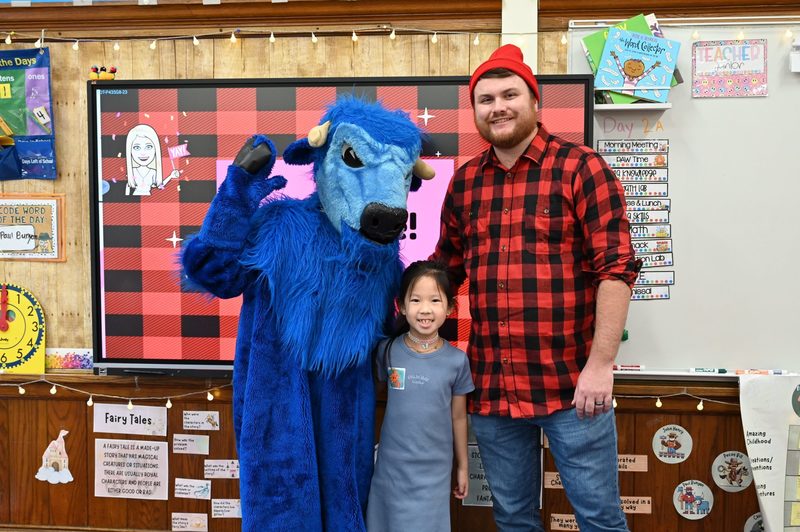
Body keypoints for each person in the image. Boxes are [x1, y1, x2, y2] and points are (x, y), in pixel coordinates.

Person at [432, 44, 640, 532]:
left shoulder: (581, 168)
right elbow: (445, 272)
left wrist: (601, 365)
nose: (498, 106)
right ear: (475, 110)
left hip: (574, 389)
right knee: (513, 519)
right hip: (493, 391)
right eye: (485, 99)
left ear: (534, 100)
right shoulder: (464, 183)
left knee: (601, 520)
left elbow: (616, 269)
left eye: (510, 94)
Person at [367, 260, 475, 532]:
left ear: (450, 308)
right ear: (402, 306)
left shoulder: (457, 361)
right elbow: (370, 397)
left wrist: (463, 466)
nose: (425, 309)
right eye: (415, 300)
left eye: (435, 300)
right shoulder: (387, 351)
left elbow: (459, 417)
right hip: (391, 470)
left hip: (434, 474)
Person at [125, 124, 180, 195]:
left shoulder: (153, 172)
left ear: (155, 149)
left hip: (149, 198)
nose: (143, 153)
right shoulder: (133, 171)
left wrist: (170, 176)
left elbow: (160, 185)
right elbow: (128, 187)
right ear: (130, 150)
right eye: (137, 148)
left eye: (148, 147)